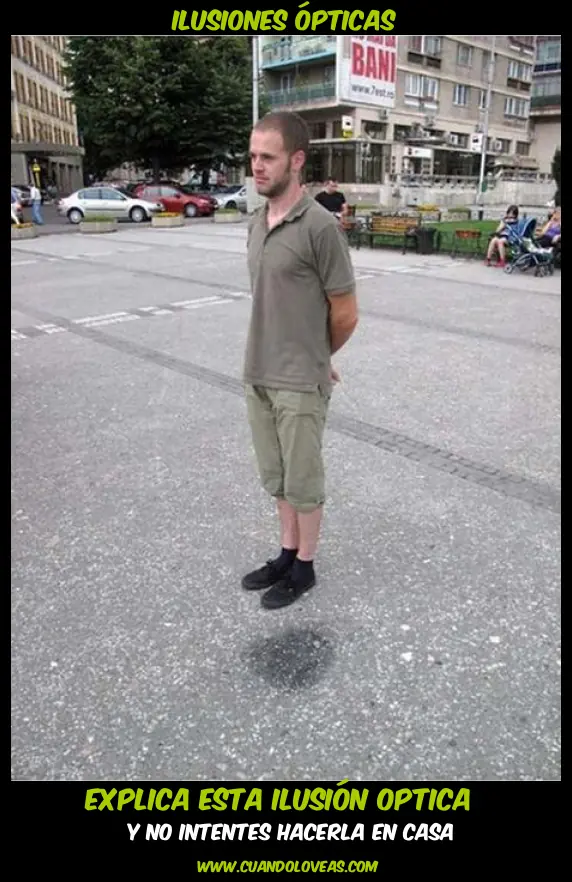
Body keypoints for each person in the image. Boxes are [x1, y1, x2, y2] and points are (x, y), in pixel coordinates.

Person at [242, 111, 358, 610]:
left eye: (267, 157)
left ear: (296, 160)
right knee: (277, 477)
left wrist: (318, 355)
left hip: (299, 380)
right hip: (258, 371)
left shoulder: (319, 228)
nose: (257, 166)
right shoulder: (256, 223)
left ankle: (305, 567)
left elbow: (346, 313)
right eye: (252, 156)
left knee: (304, 481)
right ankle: (287, 553)